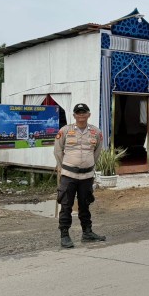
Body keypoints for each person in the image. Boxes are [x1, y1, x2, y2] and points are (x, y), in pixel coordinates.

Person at [53, 103, 106, 249]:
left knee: (85, 204)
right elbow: (58, 151)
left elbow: (97, 151)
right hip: (69, 175)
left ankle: (87, 233)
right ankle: (64, 235)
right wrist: (64, 166)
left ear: (89, 114)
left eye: (84, 113)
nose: (81, 115)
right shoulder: (65, 131)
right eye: (78, 113)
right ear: (74, 115)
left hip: (87, 176)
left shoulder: (96, 132)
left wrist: (87, 164)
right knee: (66, 205)